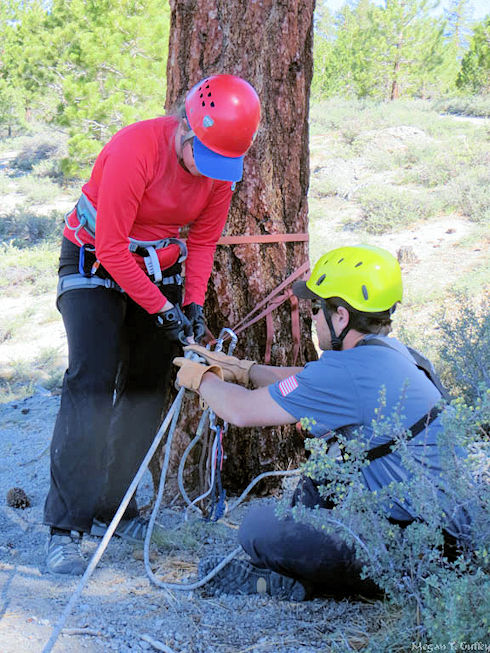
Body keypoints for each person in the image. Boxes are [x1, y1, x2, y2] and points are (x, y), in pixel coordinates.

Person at [44, 74, 261, 575]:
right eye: (201, 155)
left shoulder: (220, 169)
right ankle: (65, 527)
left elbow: (203, 243)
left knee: (148, 383)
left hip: (154, 268)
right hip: (93, 261)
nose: (208, 172)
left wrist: (192, 304)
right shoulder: (136, 149)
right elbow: (112, 249)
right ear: (185, 125)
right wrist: (162, 310)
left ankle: (114, 508)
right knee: (92, 380)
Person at [174, 244, 470, 601]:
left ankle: (301, 581)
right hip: (451, 534)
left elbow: (242, 412)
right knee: (324, 476)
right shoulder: (393, 354)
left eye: (317, 308)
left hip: (420, 555)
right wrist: (246, 371)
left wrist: (202, 378)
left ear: (341, 317)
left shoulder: (346, 371)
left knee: (257, 528)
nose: (312, 317)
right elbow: (307, 377)